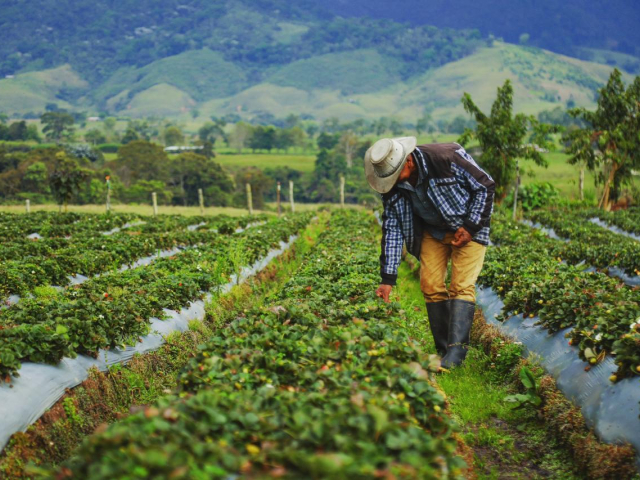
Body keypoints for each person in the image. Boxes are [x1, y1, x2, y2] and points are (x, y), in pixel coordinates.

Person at [364, 137, 495, 368]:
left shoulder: (446, 158)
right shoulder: (392, 188)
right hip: (433, 231)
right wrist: (387, 278)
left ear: (408, 162)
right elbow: (392, 228)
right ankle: (444, 348)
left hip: (468, 228)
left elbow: (485, 186)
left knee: (461, 286)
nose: (391, 182)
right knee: (430, 285)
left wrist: (470, 227)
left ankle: (456, 354)